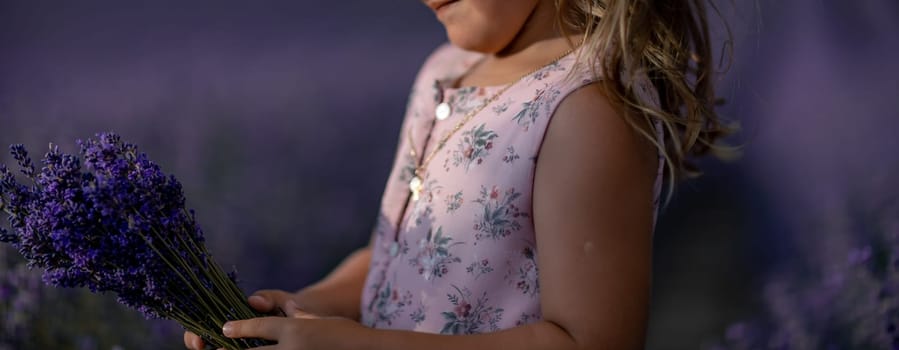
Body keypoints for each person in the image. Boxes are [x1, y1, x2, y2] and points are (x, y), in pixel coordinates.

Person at [185, 0, 731, 348]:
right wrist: (307, 311)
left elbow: (589, 341)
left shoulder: (585, 109)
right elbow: (401, 256)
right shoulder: (445, 70)